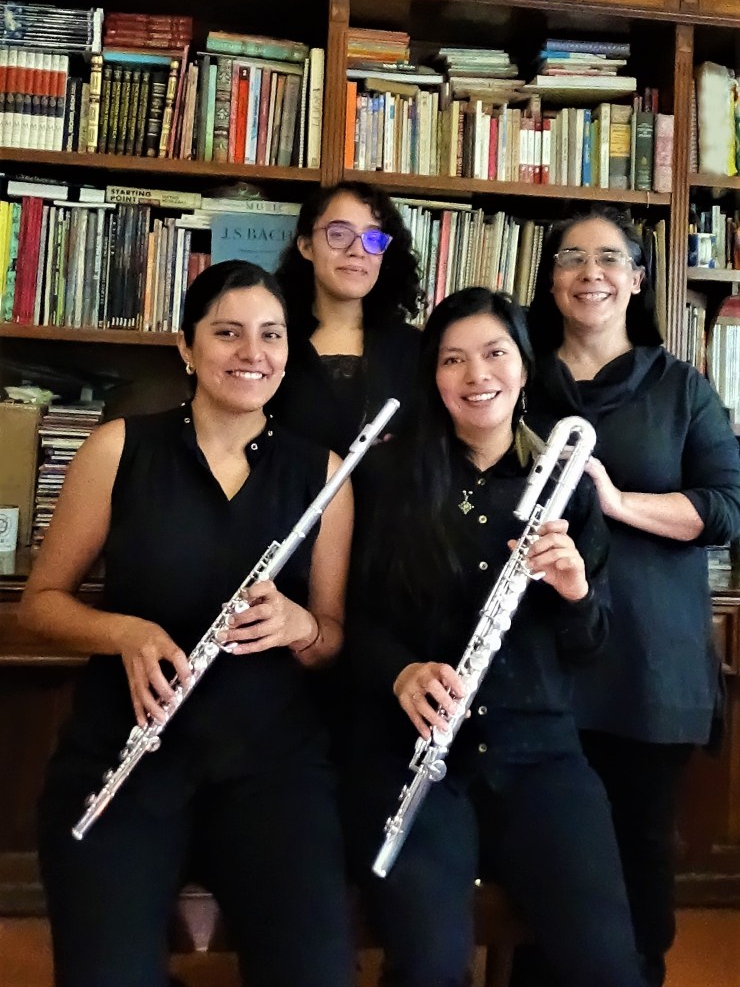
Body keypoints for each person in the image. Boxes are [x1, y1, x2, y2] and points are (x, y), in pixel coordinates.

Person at [21, 260, 355, 987]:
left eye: (271, 334)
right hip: (128, 756)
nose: (252, 352)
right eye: (227, 333)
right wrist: (125, 633)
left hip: (271, 769)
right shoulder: (119, 448)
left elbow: (331, 641)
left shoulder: (325, 472)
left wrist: (300, 626)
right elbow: (40, 602)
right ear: (186, 346)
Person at [343, 286, 647, 987]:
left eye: (494, 353)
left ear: (525, 364)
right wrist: (401, 674)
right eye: (453, 359)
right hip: (411, 752)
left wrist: (574, 591)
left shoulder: (567, 485)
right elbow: (351, 621)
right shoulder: (388, 476)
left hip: (538, 753)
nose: (476, 375)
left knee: (606, 964)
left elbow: (590, 647)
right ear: (433, 374)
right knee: (429, 963)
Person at [526, 207, 740, 987]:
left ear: (638, 279)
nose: (591, 274)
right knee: (542, 854)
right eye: (572, 257)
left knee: (638, 851)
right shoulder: (517, 378)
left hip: (650, 665)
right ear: (550, 279)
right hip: (540, 660)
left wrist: (617, 503)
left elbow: (725, 510)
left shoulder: (681, 387)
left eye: (610, 258)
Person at [272, 180, 423, 456]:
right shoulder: (271, 342)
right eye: (339, 234)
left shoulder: (414, 348)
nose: (357, 250)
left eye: (373, 238)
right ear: (306, 246)